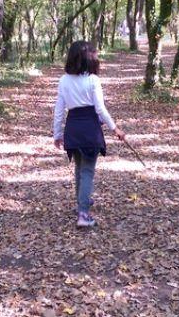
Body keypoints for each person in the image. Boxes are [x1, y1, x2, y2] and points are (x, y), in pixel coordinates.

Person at [53, 41, 125, 227]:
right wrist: (115, 128)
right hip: (89, 129)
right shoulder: (93, 80)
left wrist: (57, 133)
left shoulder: (64, 80)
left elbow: (59, 110)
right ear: (89, 58)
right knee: (87, 171)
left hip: (73, 129)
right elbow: (100, 109)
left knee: (79, 168)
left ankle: (81, 202)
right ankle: (83, 214)